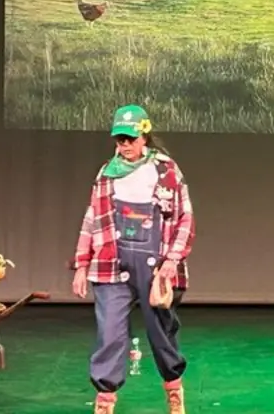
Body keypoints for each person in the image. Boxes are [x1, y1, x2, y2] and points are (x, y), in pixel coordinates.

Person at [72, 105, 195, 414]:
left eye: (129, 138)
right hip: (112, 262)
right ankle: (105, 400)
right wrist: (81, 263)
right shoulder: (107, 173)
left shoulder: (165, 170)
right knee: (110, 333)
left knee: (161, 333)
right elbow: (92, 219)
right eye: (119, 139)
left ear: (144, 136)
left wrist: (172, 260)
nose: (124, 145)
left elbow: (185, 218)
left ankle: (174, 390)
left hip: (156, 265)